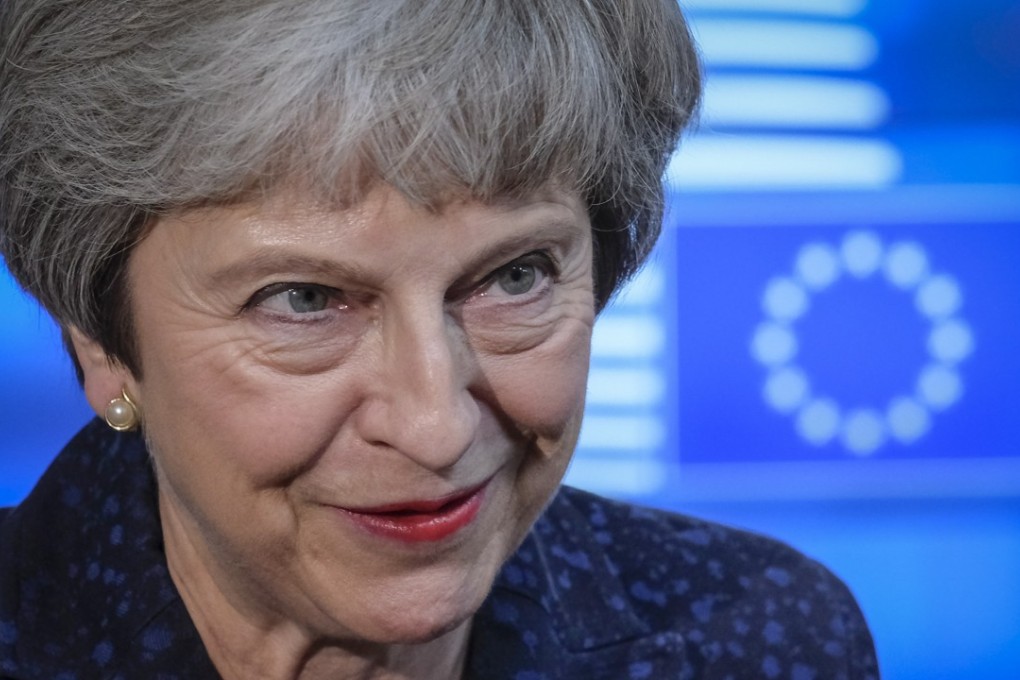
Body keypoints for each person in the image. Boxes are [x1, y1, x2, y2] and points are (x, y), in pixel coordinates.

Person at [0, 0, 880, 678]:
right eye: (304, 299)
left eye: (515, 276)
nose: (437, 427)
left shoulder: (752, 639)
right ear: (102, 344)